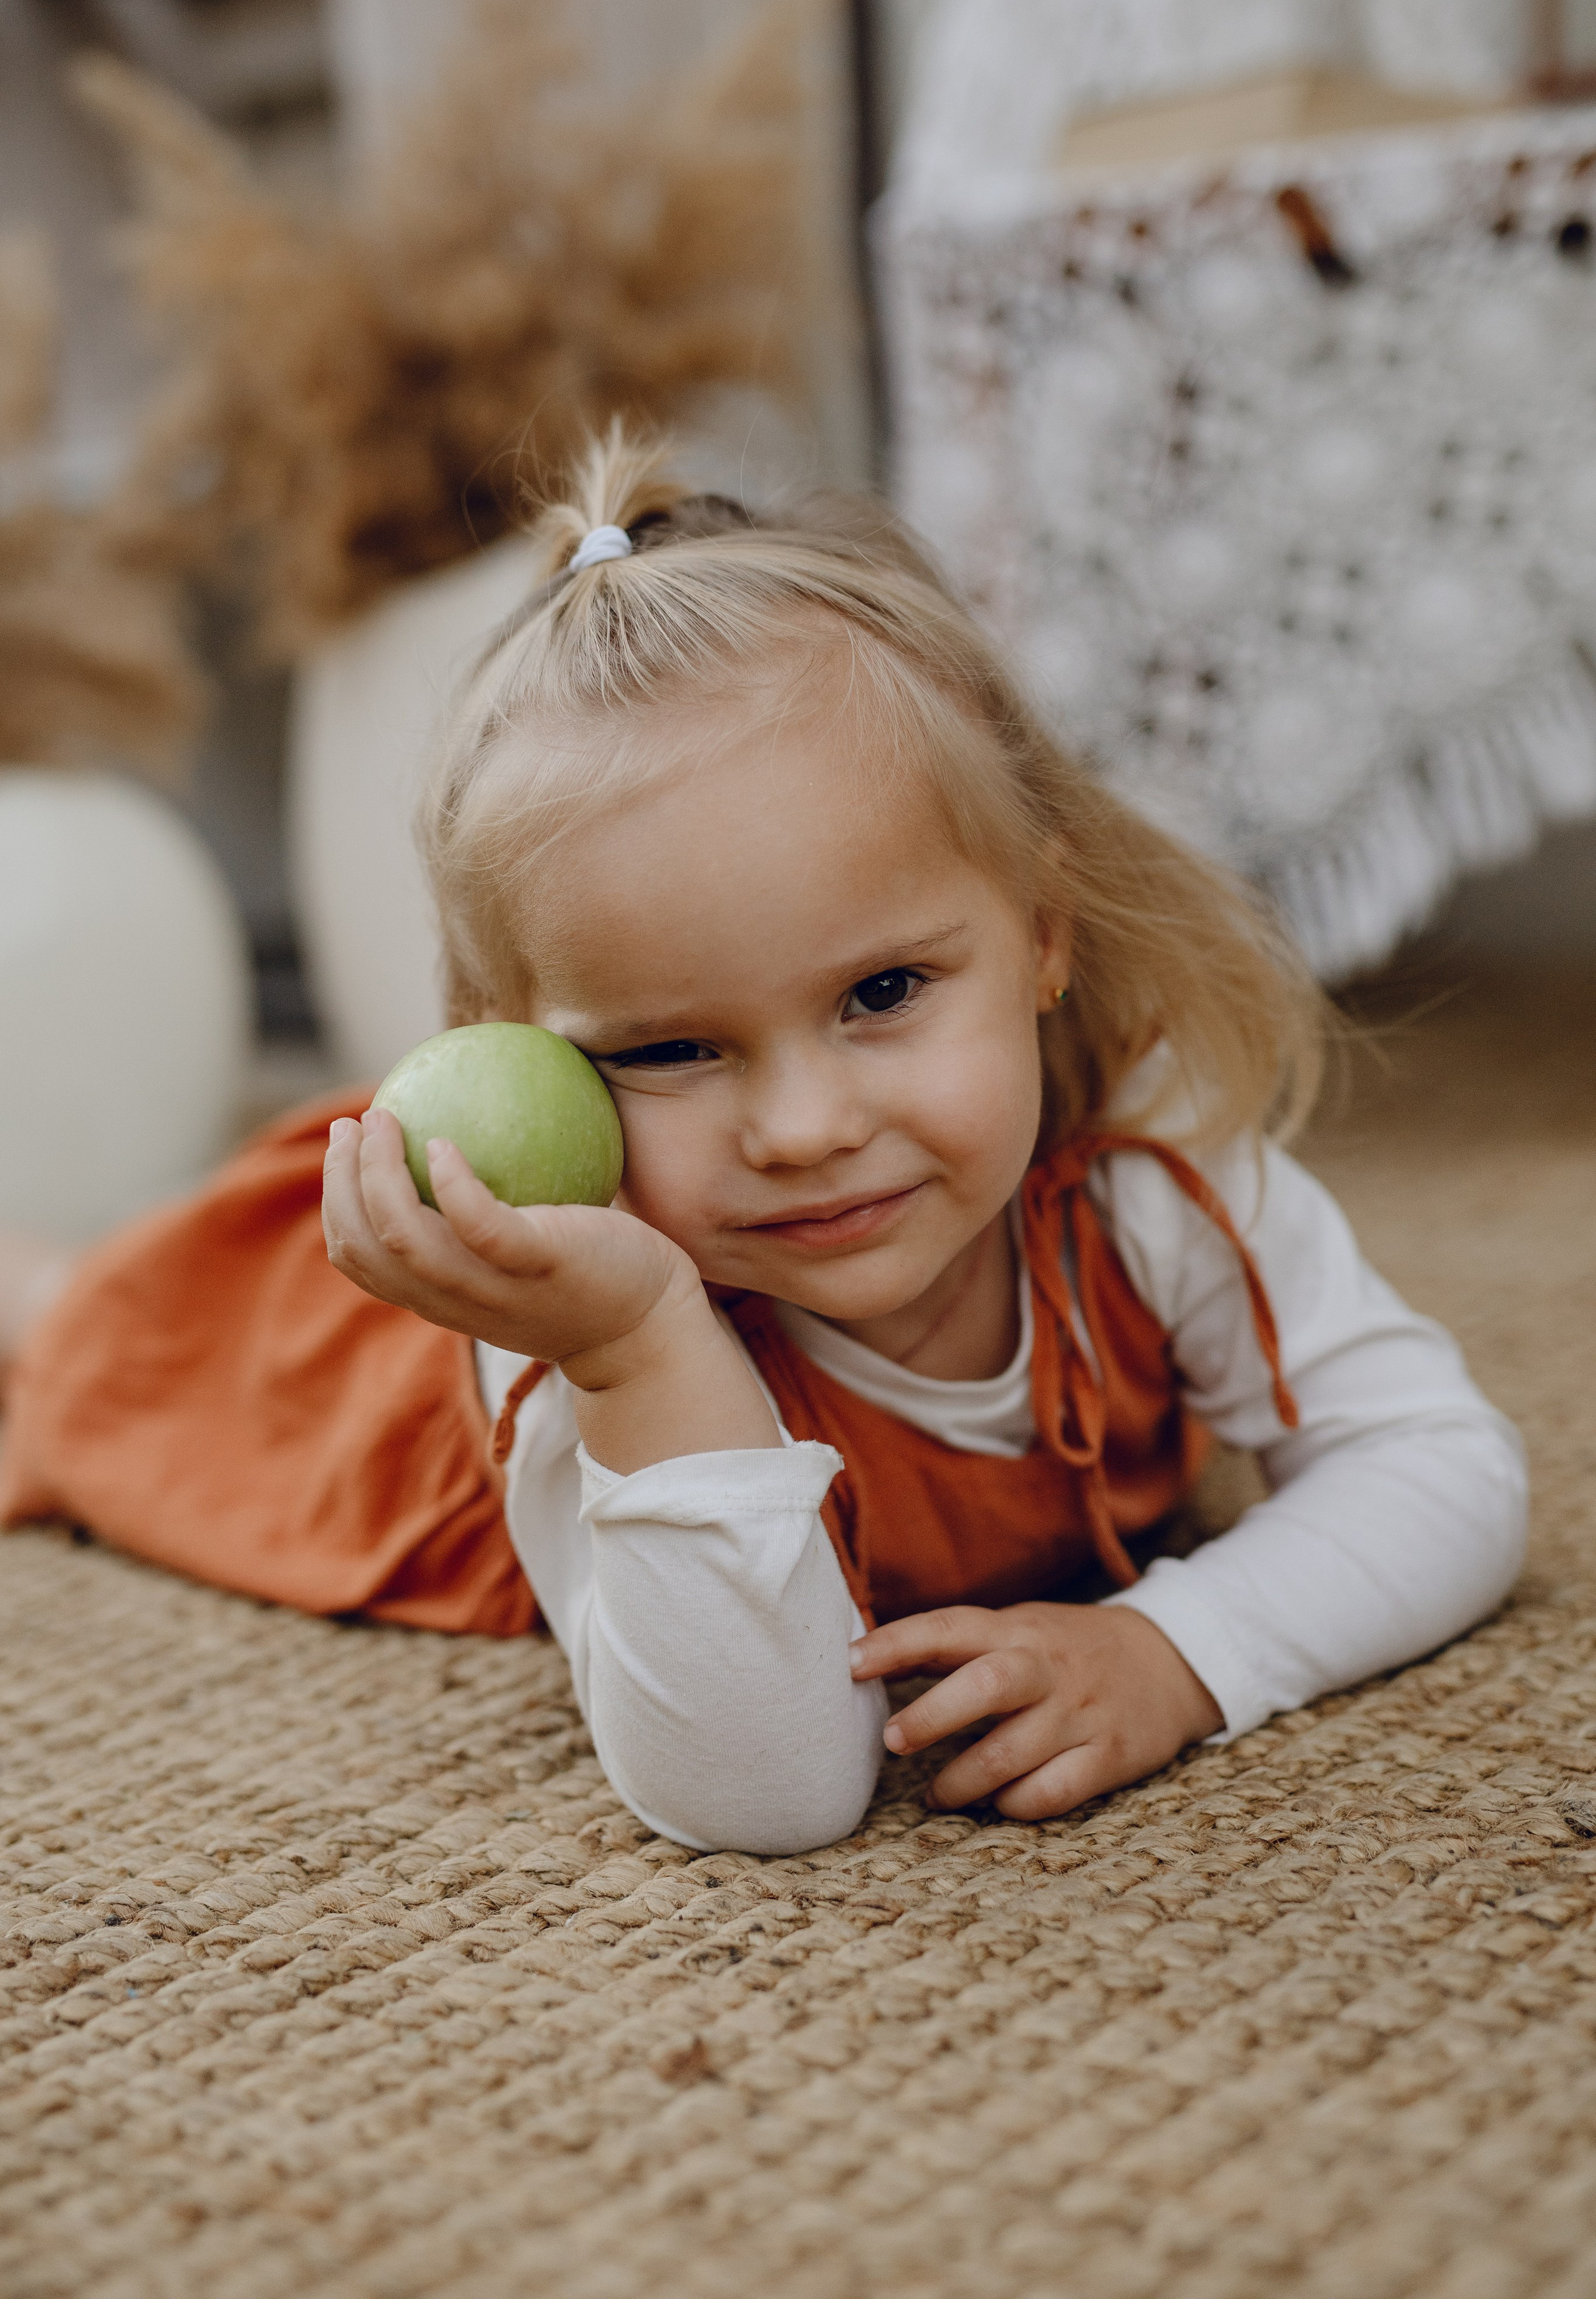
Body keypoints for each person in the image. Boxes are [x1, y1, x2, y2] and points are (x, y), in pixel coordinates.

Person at [0, 428, 1526, 1856]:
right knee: (118, 1347)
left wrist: (1180, 1649)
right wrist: (636, 1353)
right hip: (375, 1404)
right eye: (668, 1049)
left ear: (1042, 932)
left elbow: (1440, 1468)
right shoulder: (563, 1320)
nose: (805, 1132)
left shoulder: (1150, 1172)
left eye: (883, 993)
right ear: (518, 1051)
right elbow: (763, 1790)